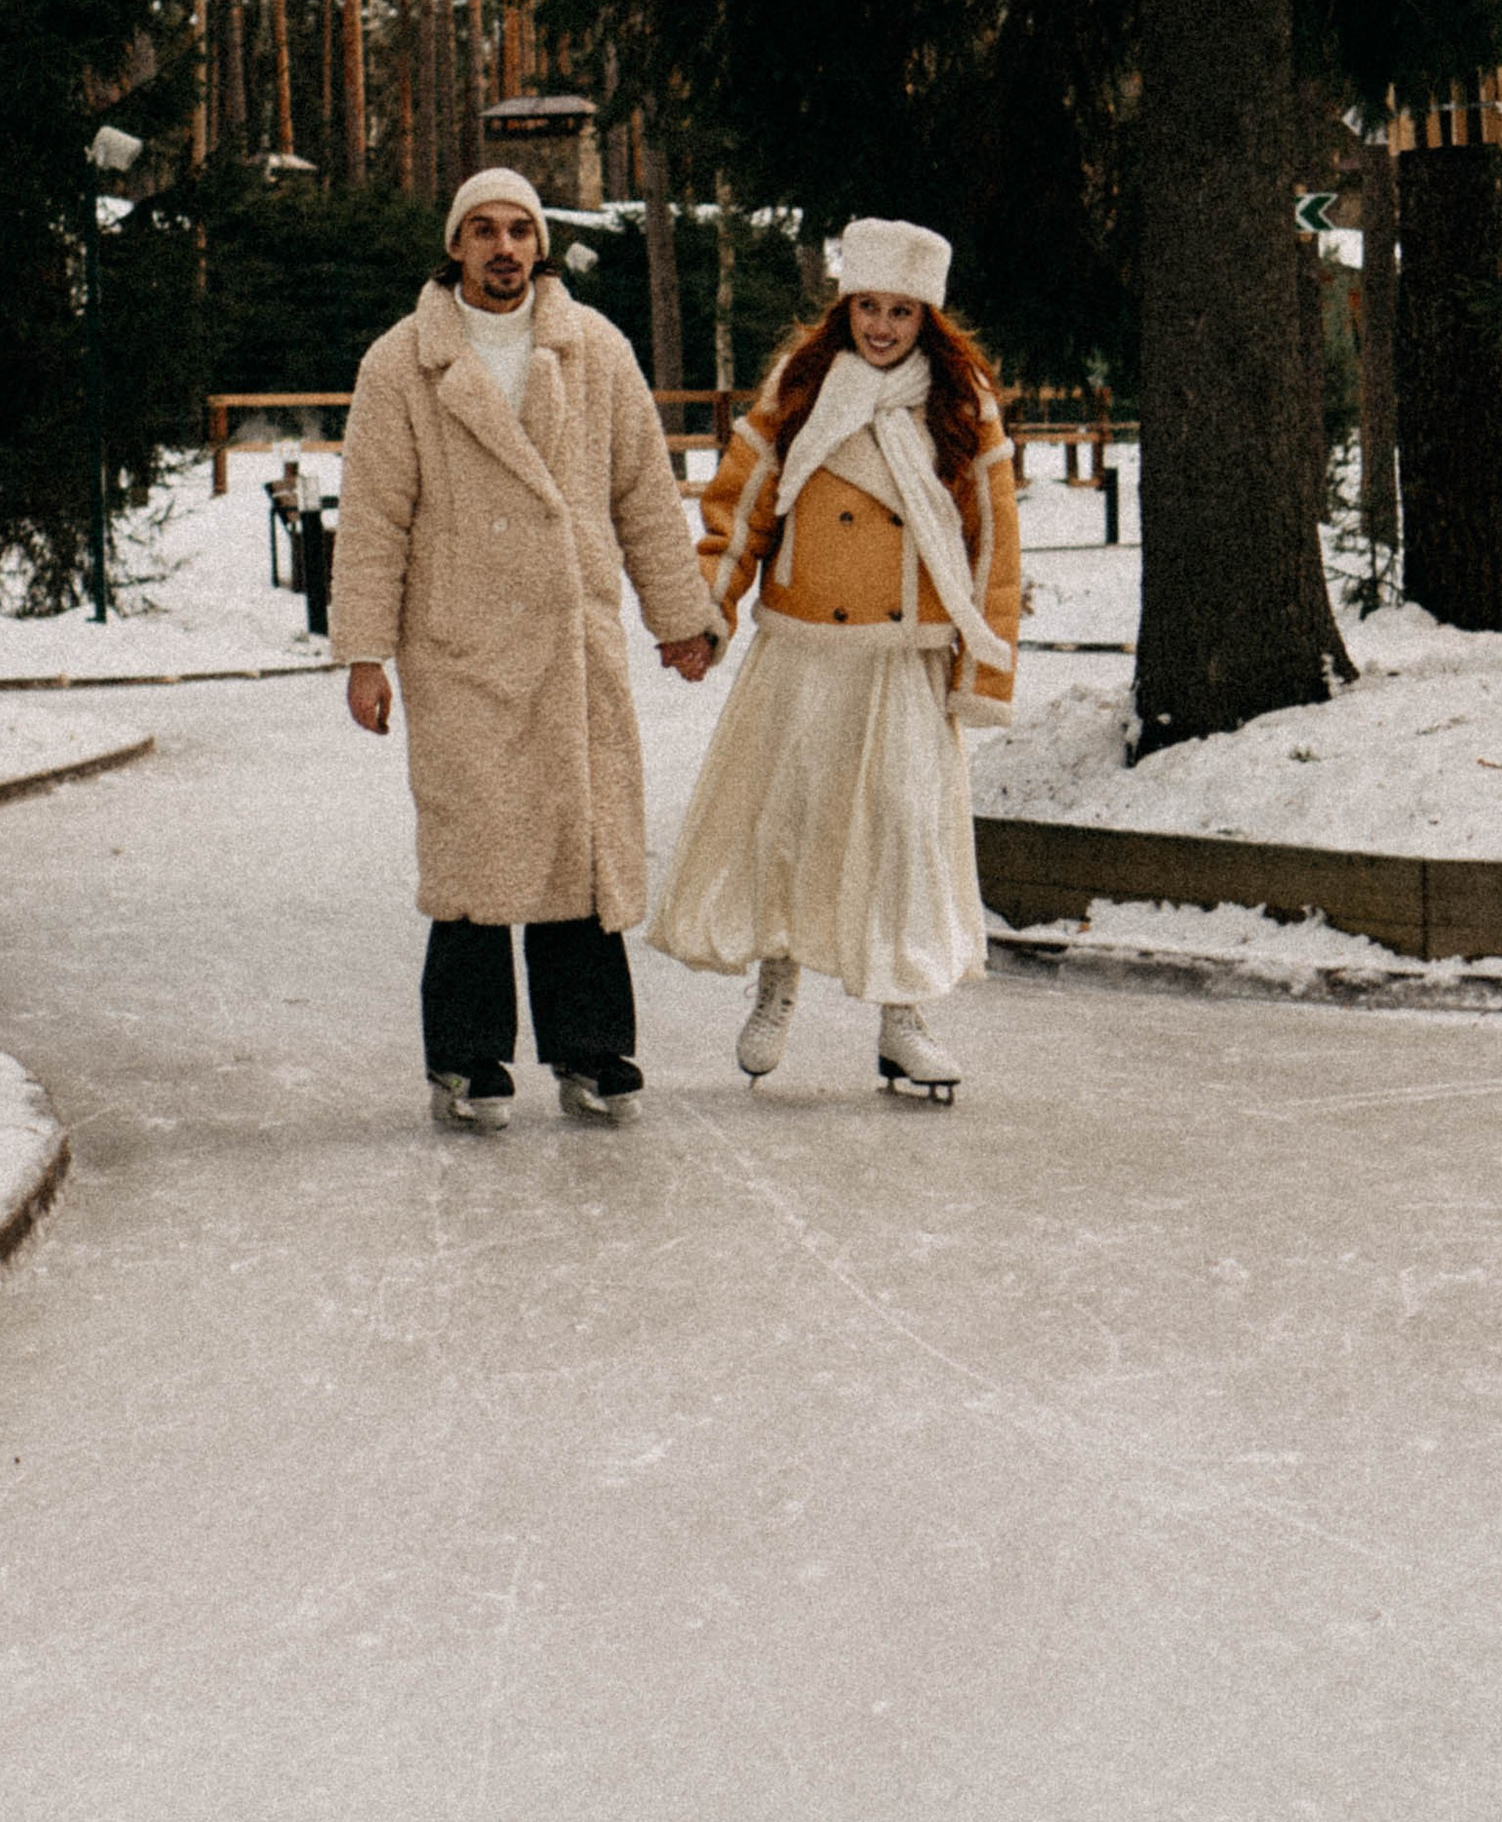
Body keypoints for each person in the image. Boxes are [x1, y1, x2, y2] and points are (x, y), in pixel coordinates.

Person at [331, 167, 720, 1127]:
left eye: (519, 231)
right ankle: (466, 1057)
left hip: (570, 639)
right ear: (456, 246)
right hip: (458, 647)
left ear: (539, 245)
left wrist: (678, 617)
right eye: (483, 231)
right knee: (474, 852)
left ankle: (594, 1050)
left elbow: (642, 494)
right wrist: (365, 655)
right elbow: (375, 518)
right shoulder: (402, 364)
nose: (504, 249)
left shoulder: (596, 351)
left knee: (576, 845)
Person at [651, 216, 1020, 1100]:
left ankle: (902, 1018)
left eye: (902, 311)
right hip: (806, 647)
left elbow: (992, 547)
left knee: (900, 829)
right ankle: (777, 983)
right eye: (868, 308)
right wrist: (711, 612)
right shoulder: (801, 387)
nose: (883, 327)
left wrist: (984, 671)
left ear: (926, 317)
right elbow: (741, 509)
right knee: (790, 818)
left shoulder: (963, 405)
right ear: (844, 307)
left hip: (904, 657)